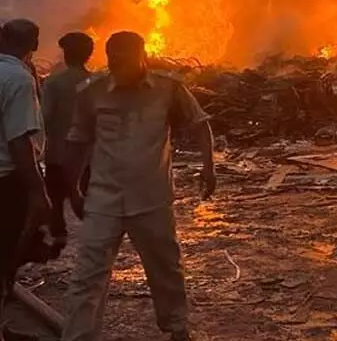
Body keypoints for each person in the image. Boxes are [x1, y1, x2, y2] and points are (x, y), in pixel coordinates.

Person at [60, 31, 216, 341]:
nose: (118, 65)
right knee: (87, 276)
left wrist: (209, 168)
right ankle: (78, 336)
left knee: (166, 269)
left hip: (152, 199)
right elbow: (78, 142)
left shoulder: (168, 89)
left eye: (125, 58)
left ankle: (177, 329)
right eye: (112, 59)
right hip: (104, 199)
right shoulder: (92, 92)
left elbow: (200, 124)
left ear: (142, 55)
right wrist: (74, 188)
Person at [0, 19, 49, 340]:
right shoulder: (17, 79)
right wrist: (37, 190)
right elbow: (20, 142)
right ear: (33, 46)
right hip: (6, 182)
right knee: (5, 255)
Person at [41, 32, 95, 247]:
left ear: (65, 54)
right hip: (88, 154)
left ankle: (59, 238)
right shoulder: (95, 83)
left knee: (55, 199)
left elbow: (45, 117)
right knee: (90, 195)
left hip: (59, 152)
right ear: (89, 55)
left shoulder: (55, 83)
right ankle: (95, 235)